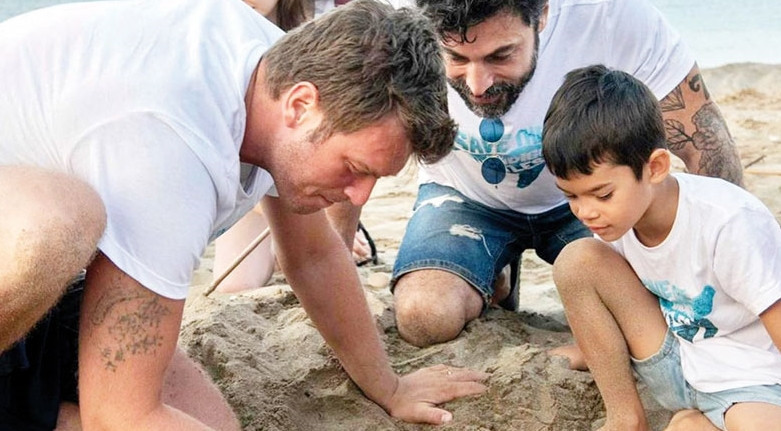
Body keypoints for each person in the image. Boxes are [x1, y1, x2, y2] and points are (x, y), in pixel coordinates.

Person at [0, 0, 489, 429]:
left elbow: (314, 256)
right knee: (59, 223)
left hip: (35, 286)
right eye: (355, 169)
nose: (358, 196)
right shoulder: (171, 150)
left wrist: (390, 387)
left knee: (212, 423)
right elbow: (120, 417)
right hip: (25, 256)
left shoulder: (277, 71)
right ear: (301, 105)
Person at [384, 0, 745, 349]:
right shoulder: (401, 19)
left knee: (642, 319)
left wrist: (726, 260)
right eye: (456, 58)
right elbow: (355, 132)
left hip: (586, 199)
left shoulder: (609, 13)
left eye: (501, 55)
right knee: (424, 319)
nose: (478, 85)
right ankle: (495, 269)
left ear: (541, 14)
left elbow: (703, 137)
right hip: (462, 194)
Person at [542, 64, 781, 431]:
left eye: (602, 194)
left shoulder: (728, 220)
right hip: (675, 362)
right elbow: (615, 296)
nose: (586, 212)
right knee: (576, 260)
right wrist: (592, 350)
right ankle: (626, 419)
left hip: (748, 379)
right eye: (571, 196)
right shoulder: (618, 217)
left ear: (655, 167)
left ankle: (696, 421)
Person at [213, 0, 376, 295]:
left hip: (307, 171)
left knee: (318, 259)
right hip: (247, 177)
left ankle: (330, 238)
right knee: (234, 285)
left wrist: (322, 234)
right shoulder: (215, 25)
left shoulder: (333, 18)